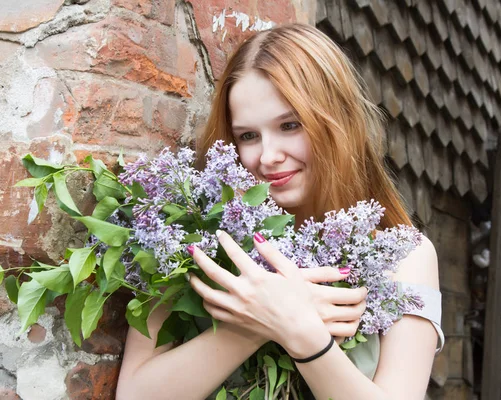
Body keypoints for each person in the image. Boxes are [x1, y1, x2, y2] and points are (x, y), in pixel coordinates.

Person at [116, 23, 443, 400]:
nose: (268, 157)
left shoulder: (404, 256)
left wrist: (302, 334)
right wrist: (256, 323)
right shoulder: (198, 237)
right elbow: (136, 395)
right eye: (248, 136)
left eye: (290, 125)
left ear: (338, 123)